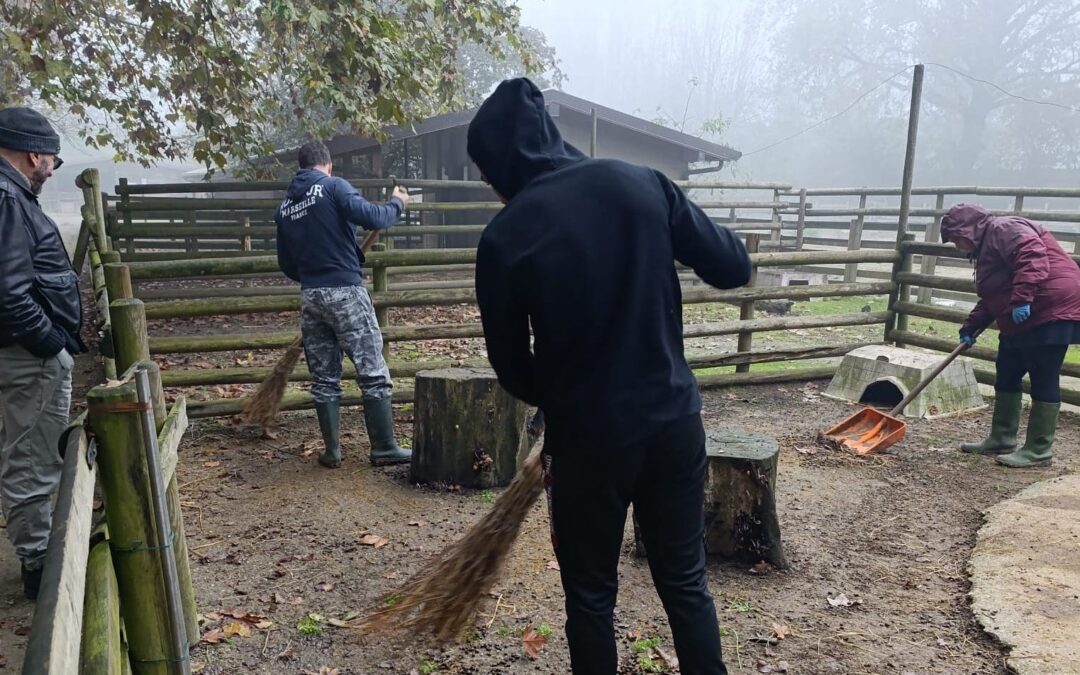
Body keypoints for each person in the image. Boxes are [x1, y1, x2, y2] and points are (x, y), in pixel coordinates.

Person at [468, 78, 750, 675]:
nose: (492, 187)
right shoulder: (641, 183)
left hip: (588, 442)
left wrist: (567, 395)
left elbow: (511, 366)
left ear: (500, 161)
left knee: (590, 598)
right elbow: (733, 266)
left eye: (488, 172)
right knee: (685, 582)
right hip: (674, 422)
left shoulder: (504, 237)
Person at [275, 140, 412, 468]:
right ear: (329, 165)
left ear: (300, 166)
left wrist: (315, 273)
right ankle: (383, 447)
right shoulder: (333, 187)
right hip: (345, 293)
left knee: (324, 377)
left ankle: (333, 451)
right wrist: (397, 203)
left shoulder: (284, 207)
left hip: (311, 296)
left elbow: (286, 263)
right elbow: (372, 216)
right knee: (372, 368)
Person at [0, 107, 85, 600]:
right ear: (33, 155)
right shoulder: (8, 199)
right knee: (32, 455)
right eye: (50, 159)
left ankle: (35, 547)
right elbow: (9, 292)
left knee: (21, 447)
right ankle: (39, 567)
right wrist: (50, 343)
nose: (51, 169)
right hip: (25, 353)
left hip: (17, 349)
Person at [942, 203, 1080, 468]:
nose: (956, 245)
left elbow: (1032, 255)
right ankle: (1002, 437)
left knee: (1042, 374)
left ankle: (1039, 451)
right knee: (1007, 369)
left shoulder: (1003, 228)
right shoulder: (985, 248)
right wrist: (970, 327)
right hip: (1026, 310)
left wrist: (1022, 298)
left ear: (969, 229)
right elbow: (993, 295)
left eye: (956, 238)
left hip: (1052, 307)